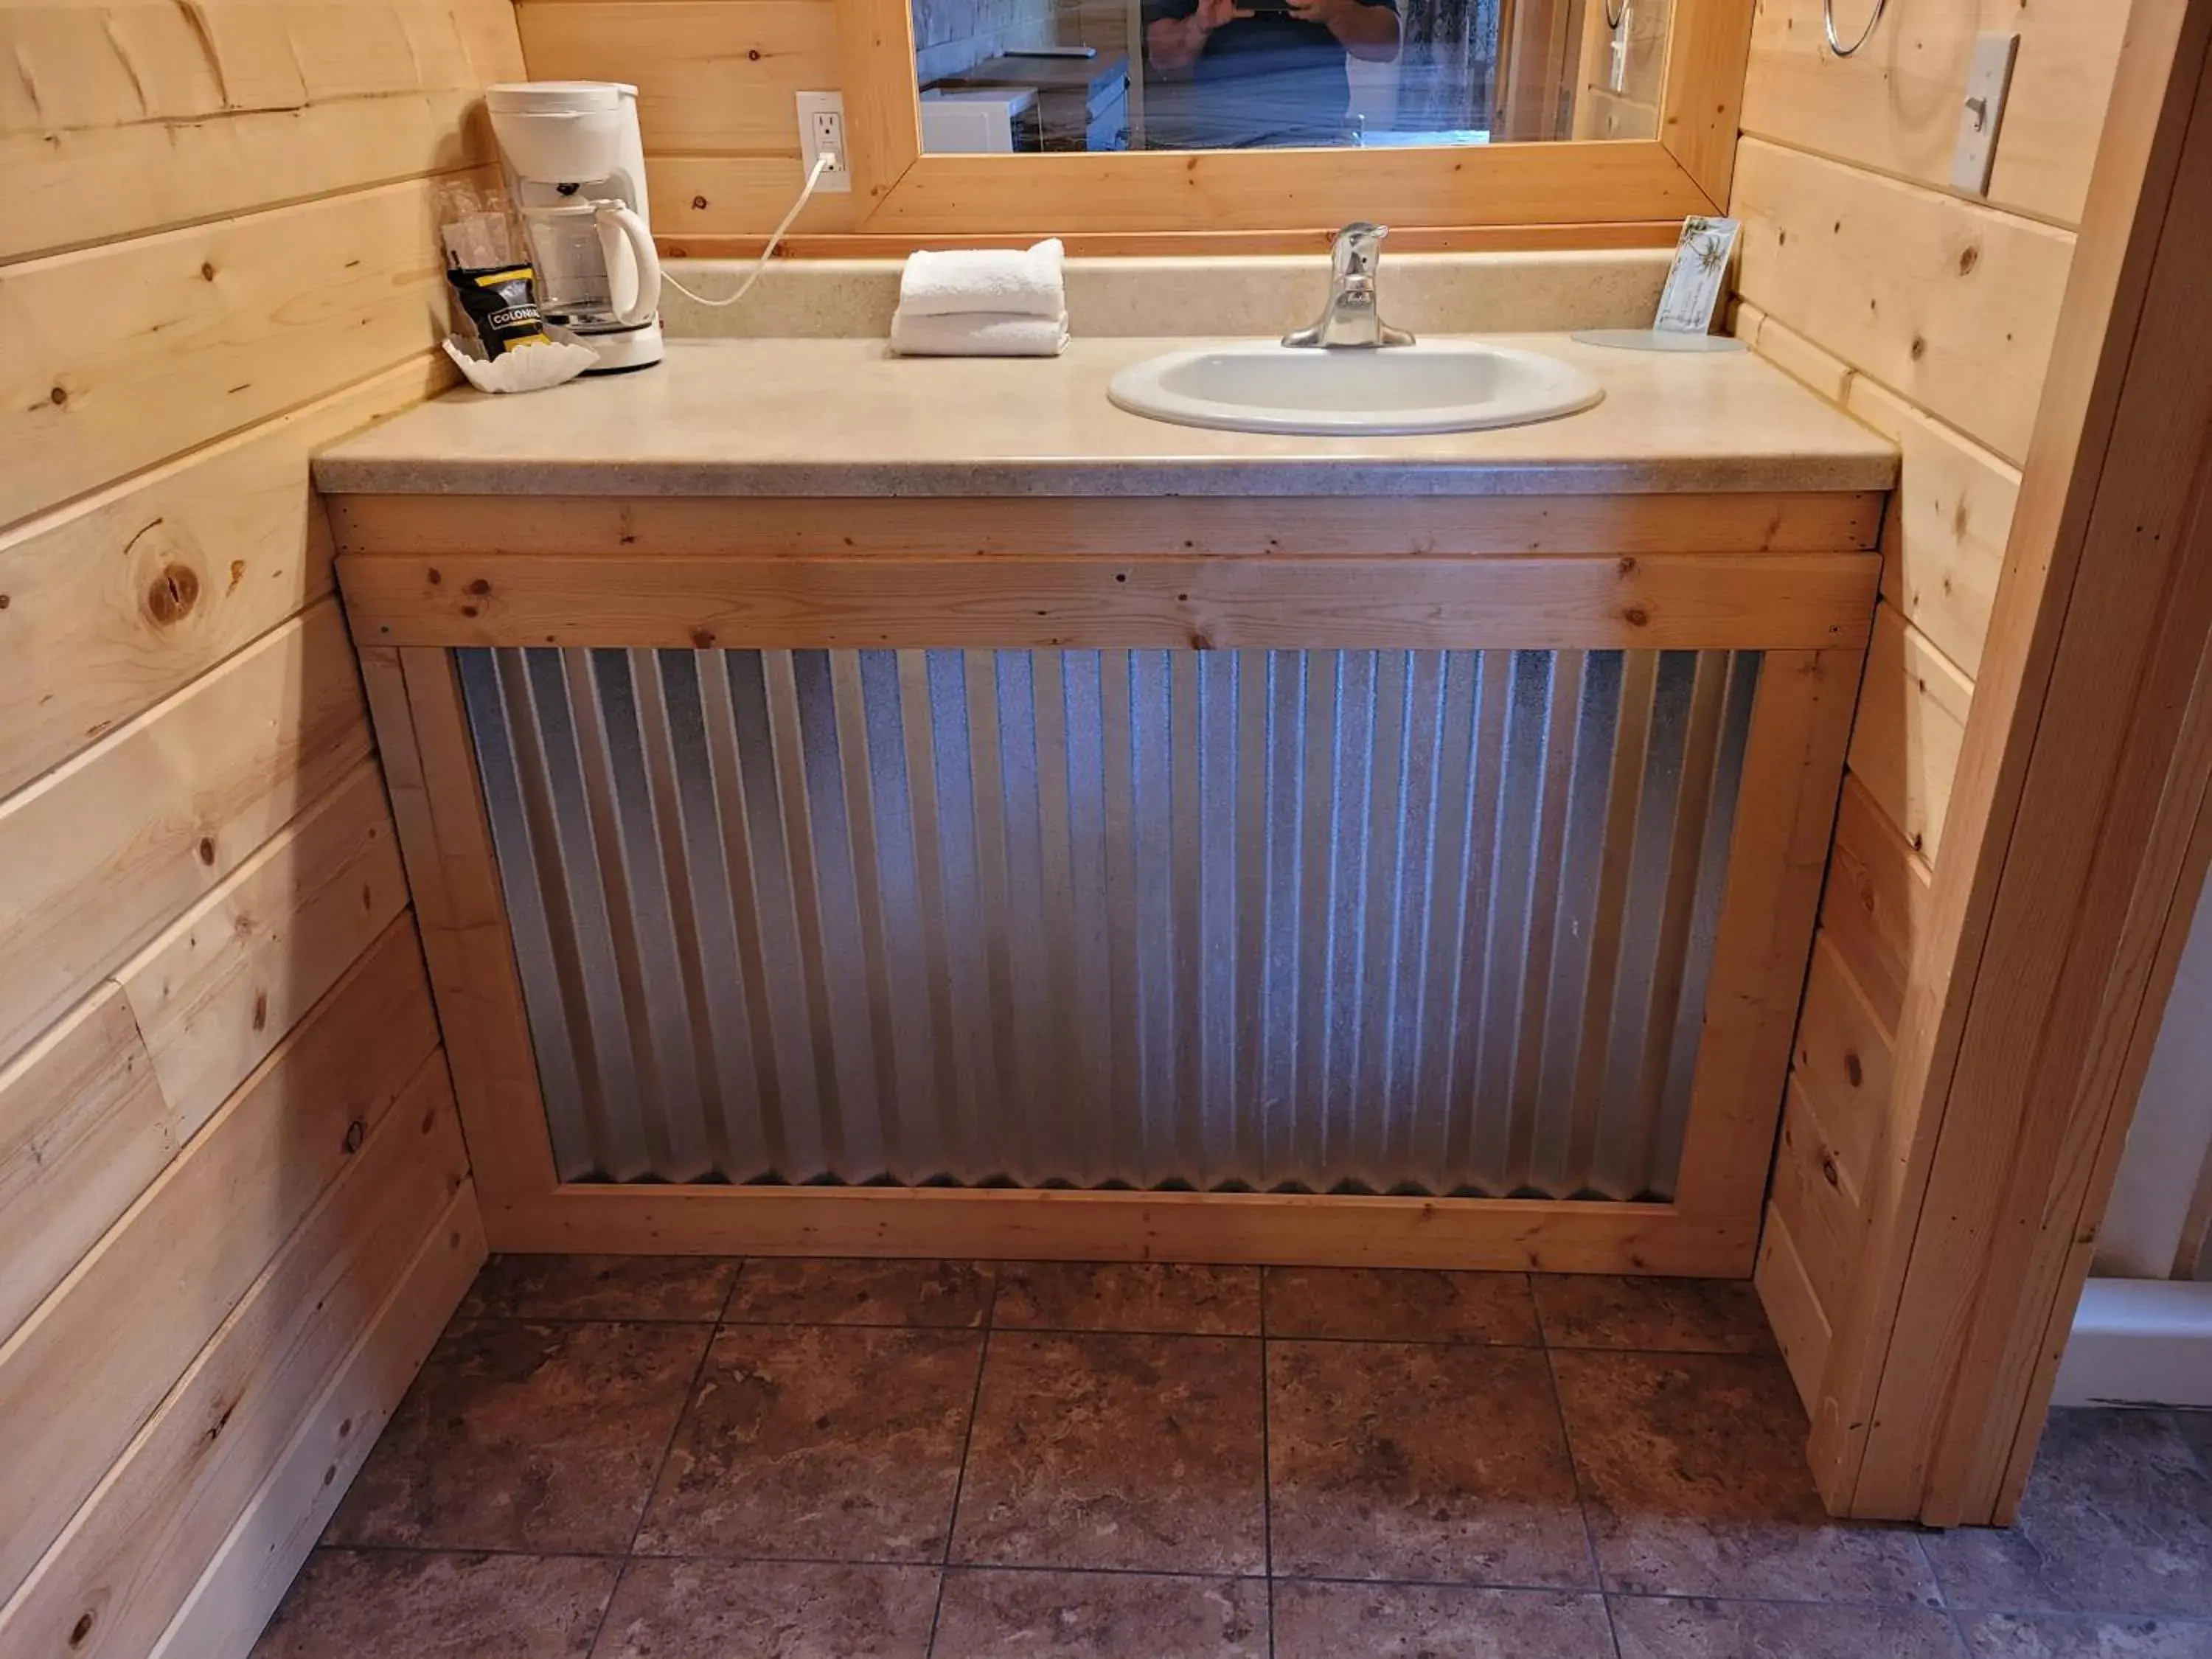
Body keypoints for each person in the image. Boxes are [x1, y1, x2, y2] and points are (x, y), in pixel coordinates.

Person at [1142, 0, 1399, 149]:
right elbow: (1163, 60)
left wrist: (1337, 10)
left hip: (1318, 138)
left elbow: (1386, 45)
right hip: (1220, 142)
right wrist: (1199, 24)